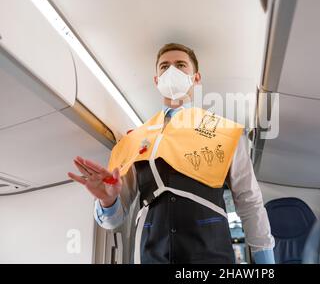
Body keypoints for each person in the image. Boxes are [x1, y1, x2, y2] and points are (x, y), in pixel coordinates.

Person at [68, 43, 275, 264]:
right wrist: (108, 201)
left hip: (211, 254)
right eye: (164, 67)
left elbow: (249, 201)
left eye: (180, 65)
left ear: (196, 78)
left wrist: (266, 261)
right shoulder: (134, 140)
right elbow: (113, 220)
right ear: (156, 81)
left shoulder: (225, 132)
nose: (171, 71)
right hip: (150, 254)